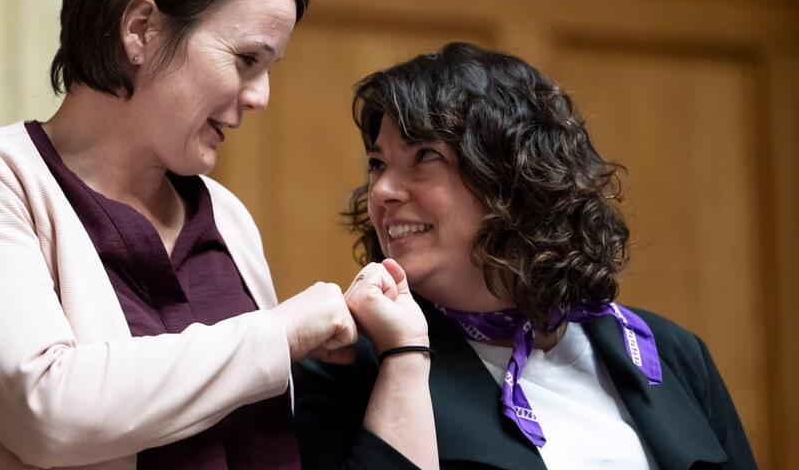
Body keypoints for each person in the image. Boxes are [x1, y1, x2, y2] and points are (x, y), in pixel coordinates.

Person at [0, 0, 426, 468]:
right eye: (246, 59)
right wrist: (280, 334)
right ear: (141, 29)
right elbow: (45, 409)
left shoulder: (227, 215)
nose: (260, 97)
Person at [294, 42, 757, 469]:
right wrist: (404, 356)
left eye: (425, 156)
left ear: (512, 177)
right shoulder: (347, 365)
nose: (381, 191)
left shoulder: (670, 352)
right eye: (377, 164)